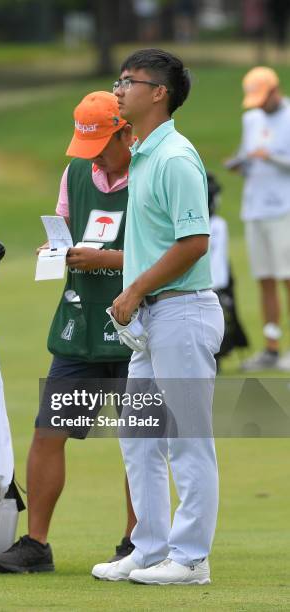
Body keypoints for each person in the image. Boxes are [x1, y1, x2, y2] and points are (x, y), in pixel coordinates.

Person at [0, 92, 137, 573]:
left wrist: (104, 259)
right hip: (81, 326)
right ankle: (37, 545)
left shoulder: (155, 172)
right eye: (86, 145)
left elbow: (170, 256)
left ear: (124, 132)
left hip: (140, 328)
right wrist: (56, 251)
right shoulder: (75, 173)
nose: (93, 156)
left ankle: (139, 543)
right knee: (48, 432)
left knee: (141, 439)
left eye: (101, 144)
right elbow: (70, 231)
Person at [91, 48, 224, 585]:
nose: (118, 90)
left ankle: (191, 558)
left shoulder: (174, 157)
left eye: (129, 81)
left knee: (186, 439)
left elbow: (194, 242)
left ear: (159, 93)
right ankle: (149, 549)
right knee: (140, 438)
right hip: (152, 320)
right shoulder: (144, 153)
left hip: (182, 313)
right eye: (119, 80)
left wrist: (136, 288)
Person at [226, 67, 290, 371]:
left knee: (288, 280)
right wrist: (240, 164)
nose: (260, 105)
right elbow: (246, 154)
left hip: (284, 210)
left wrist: (272, 157)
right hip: (255, 209)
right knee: (264, 281)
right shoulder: (251, 118)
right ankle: (272, 347)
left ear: (275, 90)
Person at [207, 172, 248, 370]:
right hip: (215, 283)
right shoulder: (217, 225)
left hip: (215, 282)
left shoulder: (217, 225)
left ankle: (218, 357)